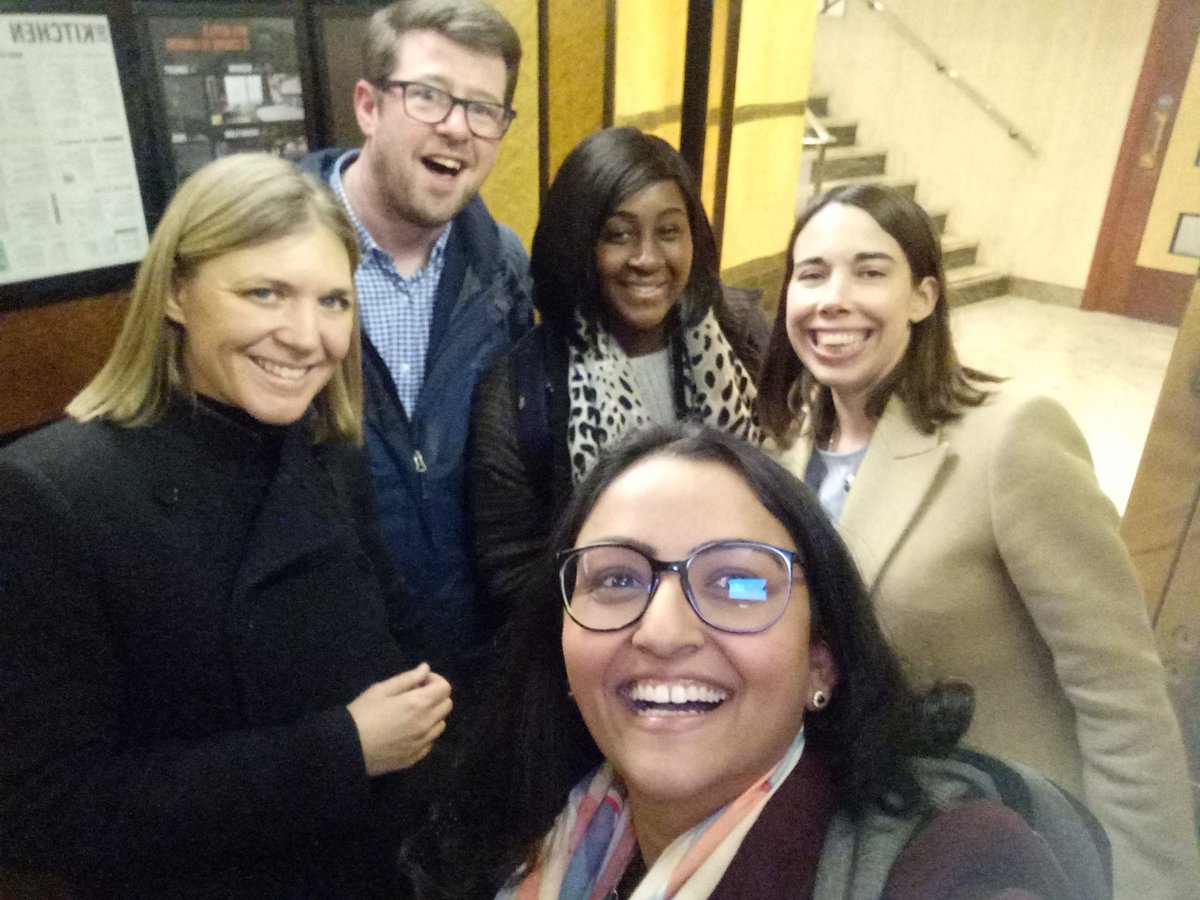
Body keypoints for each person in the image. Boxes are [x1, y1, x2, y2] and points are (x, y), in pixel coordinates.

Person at [0, 154, 452, 900]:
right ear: (178, 292)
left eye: (333, 301)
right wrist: (339, 751)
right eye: (265, 293)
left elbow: (404, 642)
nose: (307, 337)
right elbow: (44, 805)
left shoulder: (325, 453)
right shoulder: (54, 494)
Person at [417, 423, 1102, 899]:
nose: (662, 630)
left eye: (738, 583)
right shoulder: (523, 829)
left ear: (821, 662)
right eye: (618, 579)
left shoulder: (946, 862)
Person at [756, 182, 1200, 899]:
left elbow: (1119, 691)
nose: (833, 298)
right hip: (857, 834)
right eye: (812, 274)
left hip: (997, 836)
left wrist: (1147, 884)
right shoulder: (789, 447)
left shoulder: (1011, 439)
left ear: (924, 297)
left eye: (870, 271)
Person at [299, 0, 534, 672]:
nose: (457, 127)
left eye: (484, 108)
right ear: (369, 106)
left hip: (476, 657)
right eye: (429, 96)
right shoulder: (277, 260)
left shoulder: (502, 268)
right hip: (329, 670)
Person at [469, 126, 766, 634]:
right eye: (618, 234)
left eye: (669, 231)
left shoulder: (742, 339)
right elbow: (515, 578)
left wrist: (736, 605)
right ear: (578, 243)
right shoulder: (522, 391)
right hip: (605, 651)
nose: (647, 259)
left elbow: (784, 513)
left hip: (740, 625)